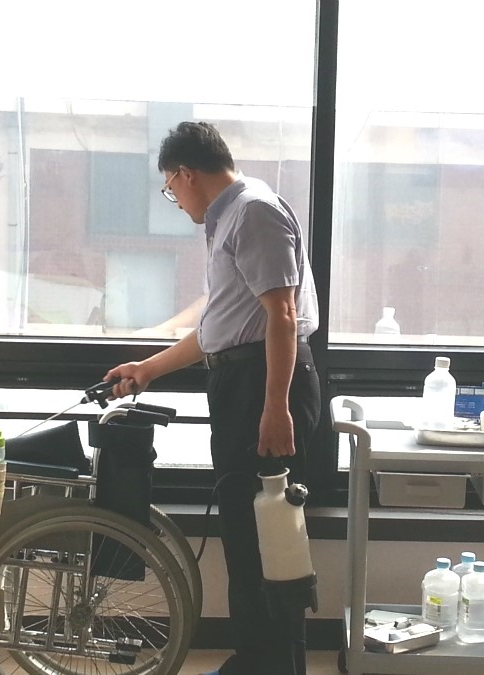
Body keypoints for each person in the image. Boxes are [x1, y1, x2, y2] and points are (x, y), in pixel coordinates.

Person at [105, 121, 321, 675]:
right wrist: (148, 369)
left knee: (270, 537)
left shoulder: (254, 212)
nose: (174, 200)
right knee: (246, 535)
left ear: (186, 174)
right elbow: (219, 329)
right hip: (244, 380)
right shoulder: (231, 218)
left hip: (264, 384)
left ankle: (272, 665)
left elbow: (283, 315)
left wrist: (275, 407)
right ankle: (257, 660)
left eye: (170, 188)